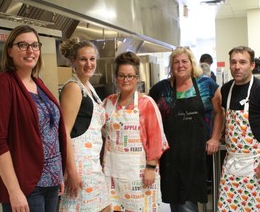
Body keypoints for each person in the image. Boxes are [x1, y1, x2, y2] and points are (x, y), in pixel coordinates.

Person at [0, 25, 67, 212]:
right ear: (10, 51)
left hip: (51, 182)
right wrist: (14, 190)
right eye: (23, 45)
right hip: (27, 185)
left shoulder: (39, 83)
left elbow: (51, 133)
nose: (30, 51)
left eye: (35, 45)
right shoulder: (2, 84)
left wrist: (59, 174)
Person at [149, 47, 223, 212]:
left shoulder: (207, 84)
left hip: (197, 152)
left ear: (191, 64)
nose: (180, 65)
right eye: (176, 62)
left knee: (188, 203)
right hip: (171, 155)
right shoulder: (161, 89)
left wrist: (215, 137)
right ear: (171, 66)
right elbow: (147, 110)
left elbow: (219, 112)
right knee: (177, 201)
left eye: (184, 61)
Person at [102, 51, 169, 211]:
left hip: (138, 174)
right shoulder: (108, 102)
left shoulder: (147, 103)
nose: (126, 80)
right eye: (121, 75)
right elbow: (101, 135)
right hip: (112, 175)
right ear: (116, 77)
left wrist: (151, 168)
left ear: (137, 78)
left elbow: (156, 139)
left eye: (130, 76)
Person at [58, 37, 110, 212]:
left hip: (93, 163)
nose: (89, 64)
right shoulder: (73, 87)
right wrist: (71, 171)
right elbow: (64, 132)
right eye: (83, 59)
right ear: (73, 61)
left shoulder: (88, 87)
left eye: (92, 59)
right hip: (79, 165)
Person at [218, 46, 260, 211]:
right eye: (233, 62)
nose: (237, 66)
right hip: (231, 163)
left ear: (252, 66)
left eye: (243, 62)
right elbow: (220, 115)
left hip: (256, 164)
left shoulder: (258, 88)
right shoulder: (226, 89)